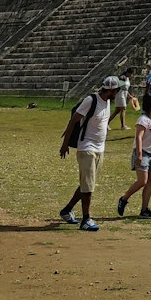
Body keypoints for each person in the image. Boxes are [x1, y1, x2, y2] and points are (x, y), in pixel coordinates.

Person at [58, 75, 121, 231]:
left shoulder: (107, 102)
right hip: (87, 147)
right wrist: (65, 144)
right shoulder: (90, 101)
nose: (119, 92)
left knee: (87, 183)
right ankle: (86, 219)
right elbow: (74, 120)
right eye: (118, 90)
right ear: (112, 90)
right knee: (88, 186)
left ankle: (67, 210)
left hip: (100, 148)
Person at [118, 95, 151, 218]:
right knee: (142, 181)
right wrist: (139, 154)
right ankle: (124, 198)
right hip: (143, 153)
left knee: (149, 182)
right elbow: (139, 137)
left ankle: (144, 210)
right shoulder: (142, 120)